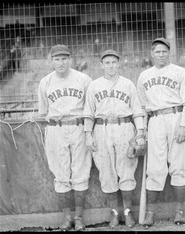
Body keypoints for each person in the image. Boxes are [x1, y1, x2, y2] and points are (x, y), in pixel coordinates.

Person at [136, 38, 185, 226]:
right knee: (155, 168)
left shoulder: (180, 72)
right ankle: (151, 213)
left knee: (178, 166)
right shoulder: (144, 75)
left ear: (169, 53)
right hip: (155, 120)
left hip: (176, 117)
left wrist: (183, 125)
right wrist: (143, 130)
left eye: (164, 51)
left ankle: (179, 211)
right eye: (157, 51)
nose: (161, 55)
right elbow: (142, 106)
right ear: (151, 53)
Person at [83, 49, 145, 228]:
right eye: (107, 62)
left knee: (126, 171)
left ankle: (128, 212)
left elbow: (137, 111)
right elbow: (89, 113)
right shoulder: (94, 85)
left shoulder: (128, 84)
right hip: (101, 129)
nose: (111, 65)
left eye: (114, 62)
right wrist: (88, 135)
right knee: (106, 173)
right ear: (101, 65)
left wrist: (140, 133)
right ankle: (114, 213)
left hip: (124, 127)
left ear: (119, 63)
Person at [38, 44, 93, 231]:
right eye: (57, 59)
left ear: (70, 59)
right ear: (51, 61)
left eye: (64, 58)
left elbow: (90, 110)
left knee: (80, 172)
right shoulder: (45, 82)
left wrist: (88, 132)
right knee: (60, 175)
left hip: (78, 126)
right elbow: (43, 111)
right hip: (56, 129)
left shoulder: (84, 79)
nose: (61, 63)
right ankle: (67, 219)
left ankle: (78, 218)